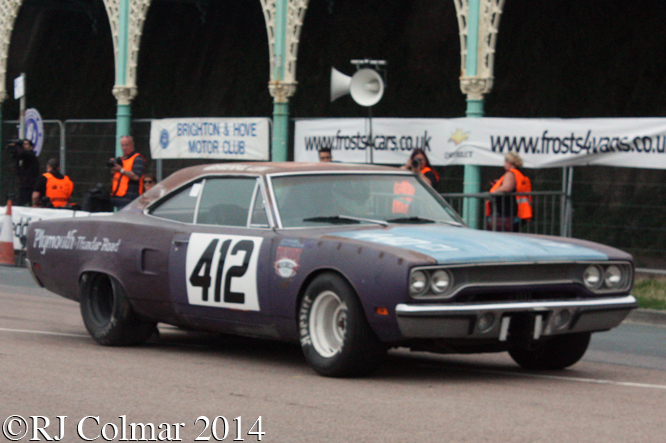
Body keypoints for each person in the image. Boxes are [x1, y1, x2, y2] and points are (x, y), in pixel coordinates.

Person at [486, 152, 533, 232]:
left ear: (509, 162)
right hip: (513, 213)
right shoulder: (518, 173)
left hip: (506, 213)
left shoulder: (510, 173)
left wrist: (492, 193)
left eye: (505, 162)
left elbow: (507, 187)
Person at [109, 135, 146, 210]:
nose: (124, 148)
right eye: (122, 145)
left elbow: (136, 176)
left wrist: (121, 170)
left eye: (126, 145)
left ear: (132, 144)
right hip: (117, 199)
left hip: (131, 200)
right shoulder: (120, 159)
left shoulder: (137, 158)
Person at [8, 139, 40, 206]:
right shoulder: (23, 157)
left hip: (30, 186)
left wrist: (17, 146)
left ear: (31, 147)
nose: (24, 145)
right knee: (21, 203)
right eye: (23, 144)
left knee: (26, 203)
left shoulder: (31, 156)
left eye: (26, 144)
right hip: (23, 185)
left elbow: (22, 153)